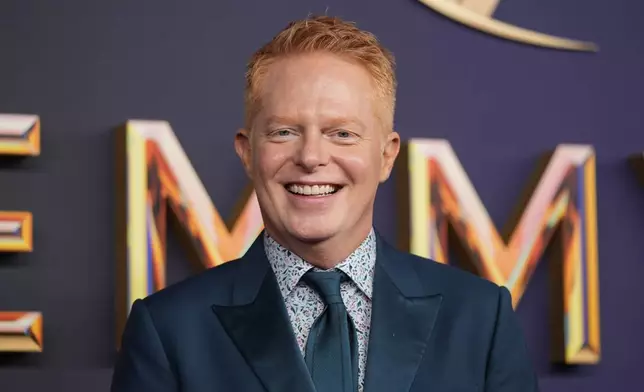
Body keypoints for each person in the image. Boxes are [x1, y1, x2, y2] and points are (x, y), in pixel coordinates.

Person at [110, 15, 539, 392]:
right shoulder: (168, 330)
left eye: (342, 133)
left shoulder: (481, 319)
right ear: (247, 152)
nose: (311, 157)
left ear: (387, 155)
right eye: (284, 132)